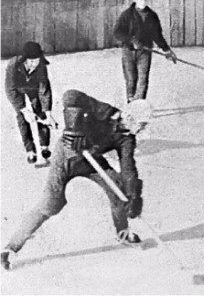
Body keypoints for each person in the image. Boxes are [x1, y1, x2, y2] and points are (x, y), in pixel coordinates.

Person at [0, 90, 149, 271]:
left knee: (119, 189)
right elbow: (71, 96)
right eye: (141, 124)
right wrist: (73, 128)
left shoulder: (128, 139)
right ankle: (11, 248)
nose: (142, 129)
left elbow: (128, 168)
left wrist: (133, 195)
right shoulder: (107, 112)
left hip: (90, 160)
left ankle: (122, 233)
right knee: (51, 204)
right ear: (130, 117)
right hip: (66, 157)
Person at [113, 0, 177, 102]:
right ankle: (131, 101)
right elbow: (117, 33)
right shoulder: (127, 15)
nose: (142, 1)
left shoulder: (152, 16)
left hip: (145, 52)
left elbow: (157, 35)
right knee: (131, 79)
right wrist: (132, 40)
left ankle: (140, 104)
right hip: (128, 51)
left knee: (143, 79)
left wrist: (167, 50)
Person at [4, 41, 56, 165]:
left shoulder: (41, 66)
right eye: (31, 61)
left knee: (41, 112)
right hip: (18, 89)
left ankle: (44, 147)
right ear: (24, 59)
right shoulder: (13, 65)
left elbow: (44, 90)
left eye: (36, 60)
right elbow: (10, 89)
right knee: (22, 118)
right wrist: (23, 109)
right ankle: (30, 150)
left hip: (34, 88)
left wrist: (48, 114)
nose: (34, 64)